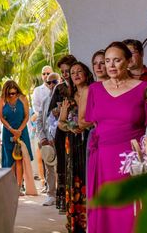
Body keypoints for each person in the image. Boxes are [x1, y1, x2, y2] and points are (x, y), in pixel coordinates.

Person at [85, 42, 147, 233]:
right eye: (107, 61)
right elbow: (95, 123)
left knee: (130, 210)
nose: (111, 66)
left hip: (131, 159)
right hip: (103, 159)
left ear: (129, 61)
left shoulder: (143, 88)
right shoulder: (95, 90)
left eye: (117, 60)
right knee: (107, 209)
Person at [58, 62, 94, 233]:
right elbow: (61, 123)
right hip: (73, 144)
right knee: (76, 181)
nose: (76, 75)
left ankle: (93, 223)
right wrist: (72, 127)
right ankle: (78, 225)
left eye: (80, 71)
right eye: (73, 73)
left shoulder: (95, 93)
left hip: (91, 140)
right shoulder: (69, 99)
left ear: (86, 74)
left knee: (90, 178)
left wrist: (85, 126)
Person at [47, 54, 77, 210]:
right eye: (63, 71)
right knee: (63, 165)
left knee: (76, 165)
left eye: (68, 70)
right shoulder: (59, 88)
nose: (66, 74)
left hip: (77, 131)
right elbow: (50, 111)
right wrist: (57, 111)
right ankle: (65, 202)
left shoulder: (81, 85)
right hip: (62, 132)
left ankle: (77, 200)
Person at [0, 80, 34, 190]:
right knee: (9, 159)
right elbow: (1, 117)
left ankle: (18, 187)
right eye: (9, 93)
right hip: (7, 132)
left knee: (19, 159)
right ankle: (10, 186)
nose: (11, 95)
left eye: (14, 93)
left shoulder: (23, 98)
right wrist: (11, 129)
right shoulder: (2, 100)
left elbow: (27, 117)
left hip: (21, 131)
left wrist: (18, 131)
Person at [36, 72, 60, 205]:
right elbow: (39, 120)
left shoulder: (64, 97)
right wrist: (43, 137)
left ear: (59, 81)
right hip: (46, 140)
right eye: (48, 82)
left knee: (62, 168)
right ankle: (51, 195)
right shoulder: (45, 100)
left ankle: (62, 195)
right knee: (49, 168)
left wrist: (55, 138)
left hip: (60, 140)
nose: (51, 85)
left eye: (54, 82)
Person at [31, 65, 53, 183]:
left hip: (55, 125)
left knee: (53, 155)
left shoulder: (57, 88)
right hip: (42, 125)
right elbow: (36, 108)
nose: (46, 75)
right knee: (41, 155)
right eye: (44, 73)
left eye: (48, 73)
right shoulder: (37, 90)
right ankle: (43, 180)